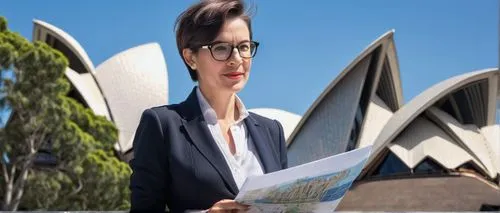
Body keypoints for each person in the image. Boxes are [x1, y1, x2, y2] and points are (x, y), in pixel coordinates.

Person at [129, 0, 288, 212]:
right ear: (190, 57)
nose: (236, 59)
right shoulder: (162, 125)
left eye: (244, 47)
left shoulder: (272, 131)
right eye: (220, 48)